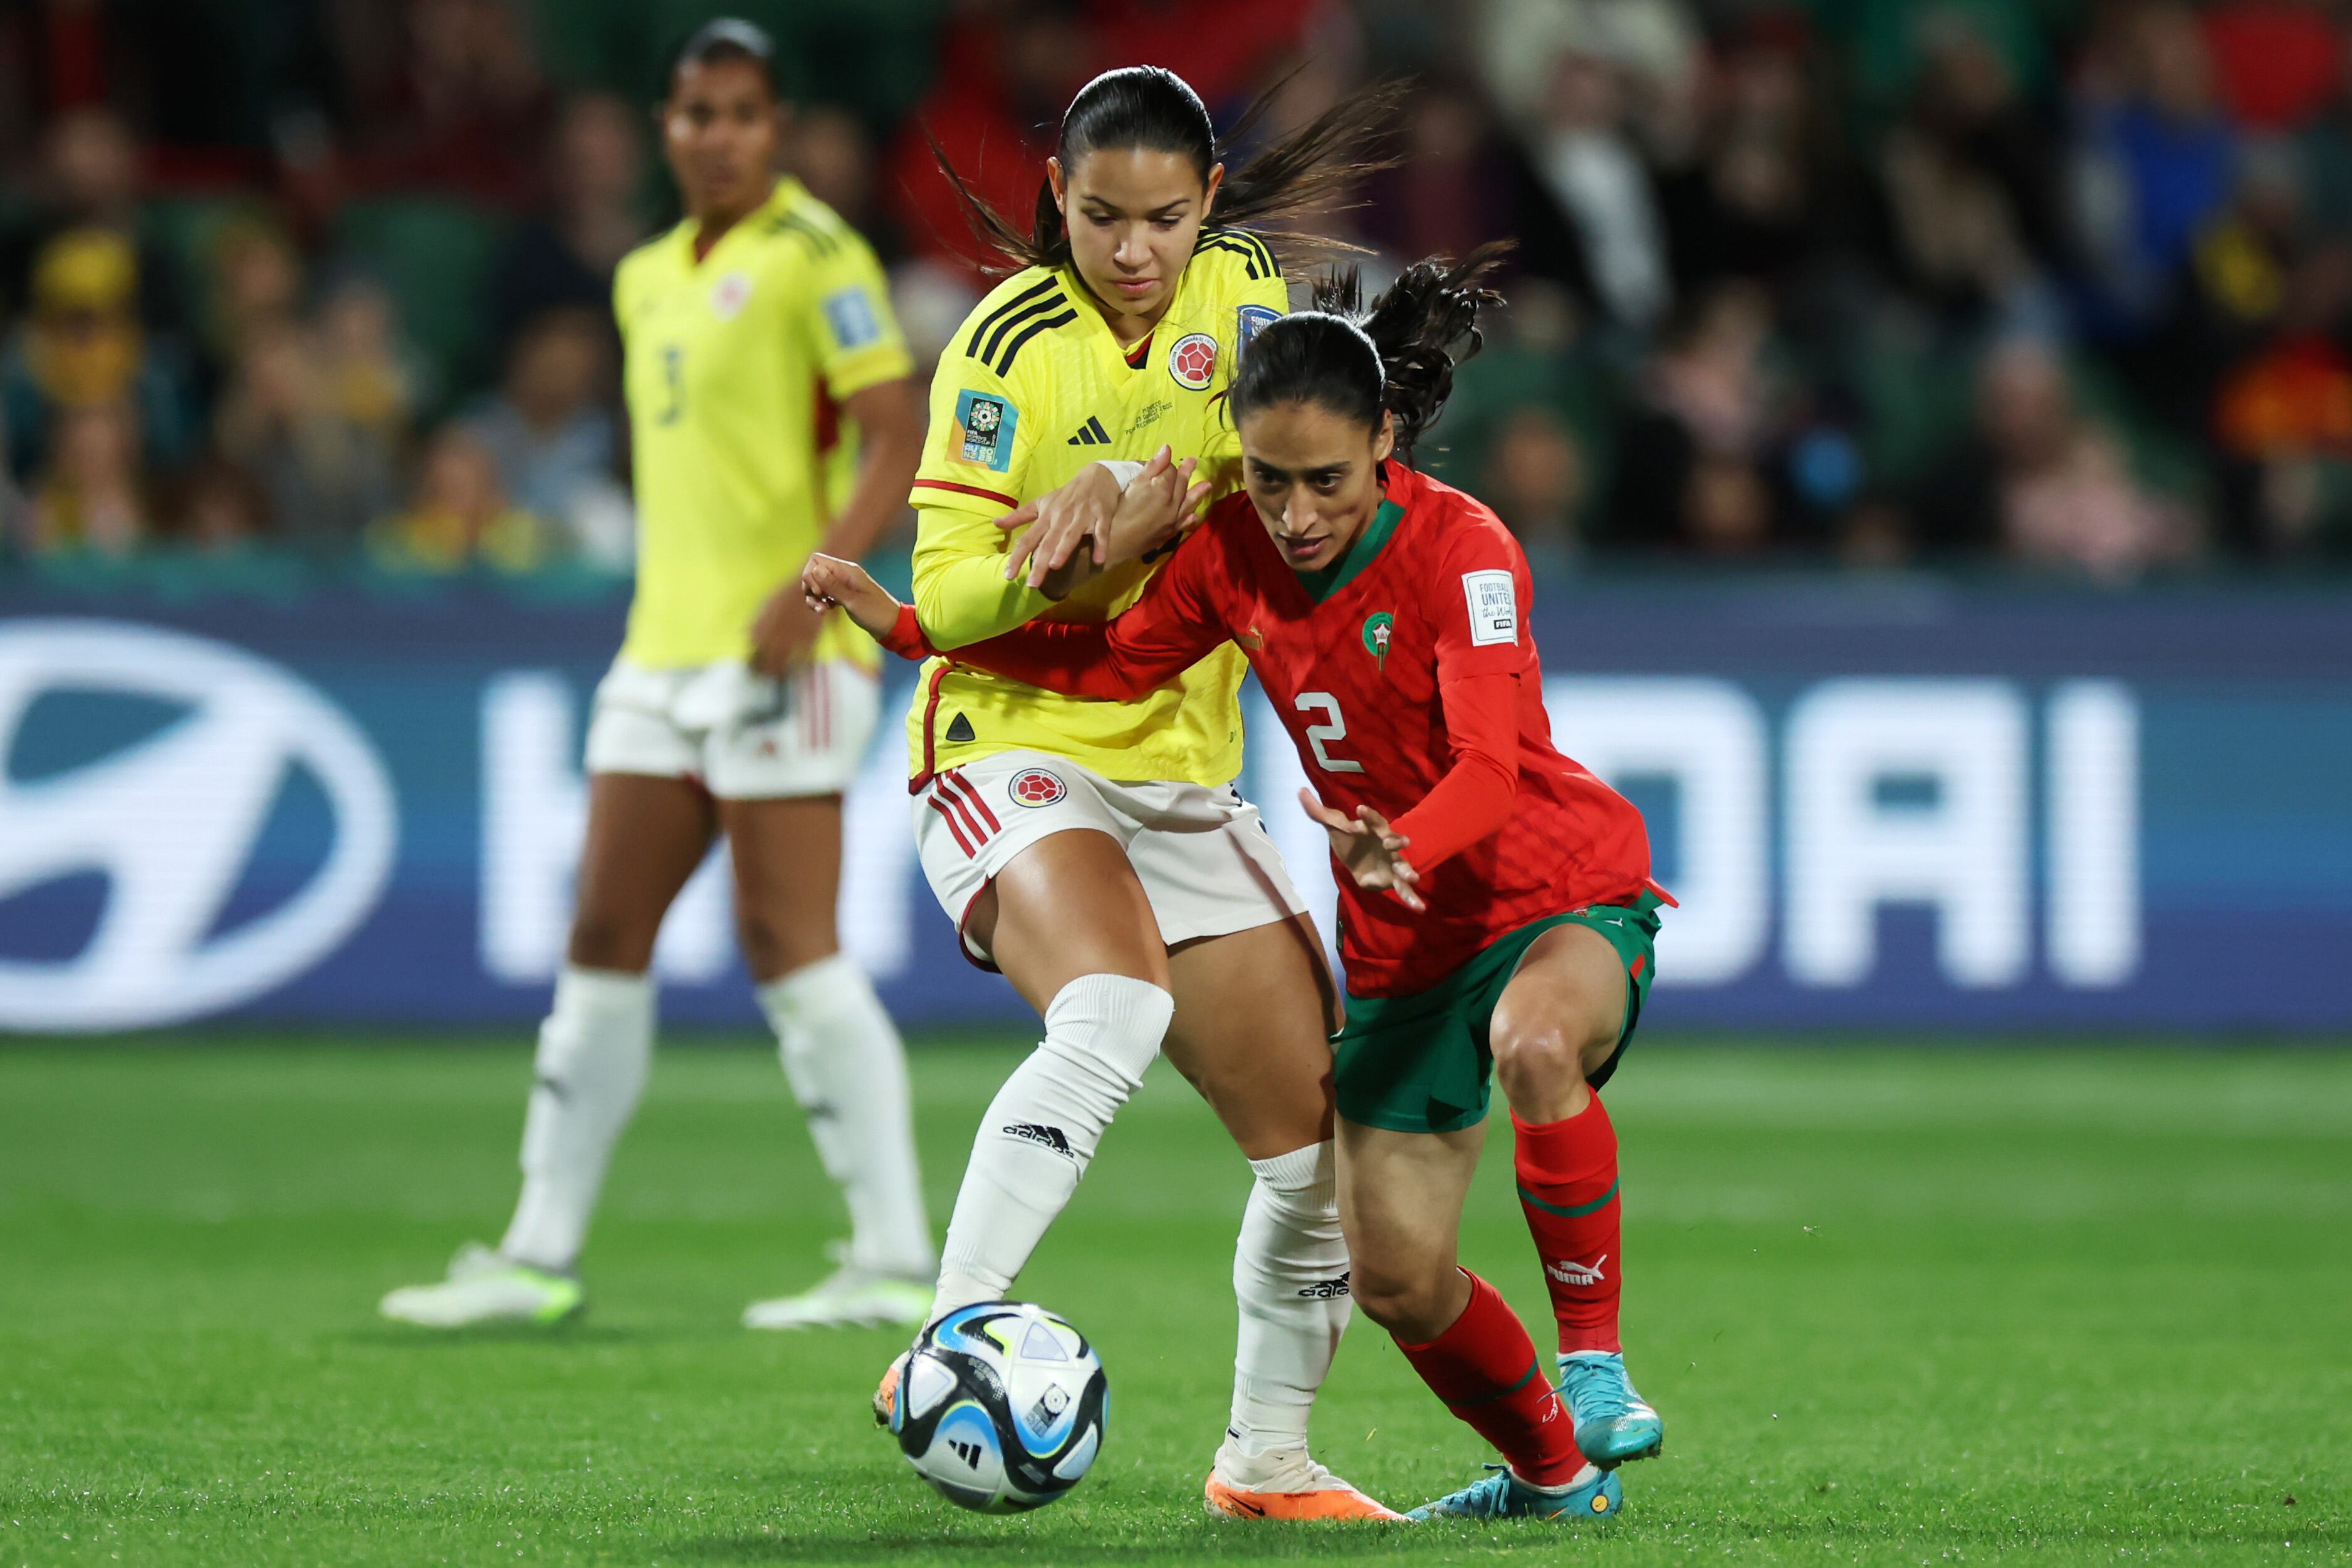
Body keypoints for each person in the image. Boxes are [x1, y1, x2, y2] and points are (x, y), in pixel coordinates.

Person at [807, 248, 1673, 1525]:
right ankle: (1551, 1474)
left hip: (1542, 885)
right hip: (1399, 943)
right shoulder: (1229, 551)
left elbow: (1489, 771)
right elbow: (1104, 668)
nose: (1298, 513)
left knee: (1535, 1042)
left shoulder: (1463, 547)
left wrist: (1404, 849)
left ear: (1385, 439)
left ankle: (1595, 1371)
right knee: (1392, 1274)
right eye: (1267, 480)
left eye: (1326, 480)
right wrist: (905, 628)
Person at [872, 65, 1405, 1520]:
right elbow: (941, 591)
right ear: (1058, 200)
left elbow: (1310, 482)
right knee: (1114, 1007)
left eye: (1161, 220)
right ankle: (941, 1340)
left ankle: (1266, 1463)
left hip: (1178, 772)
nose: (1129, 253)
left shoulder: (1248, 305)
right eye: (1099, 218)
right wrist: (1059, 554)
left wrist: (1208, 480)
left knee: (1320, 1154)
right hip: (1012, 740)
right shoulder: (1003, 343)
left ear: (1208, 205)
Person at [379, 18, 933, 1333]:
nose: (720, 134)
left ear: (776, 126)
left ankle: (896, 1255)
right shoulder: (640, 278)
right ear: (665, 127)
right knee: (600, 937)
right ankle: (536, 1253)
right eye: (698, 113)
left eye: (744, 112)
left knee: (786, 946)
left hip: (782, 649)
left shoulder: (818, 256)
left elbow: (895, 431)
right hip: (657, 652)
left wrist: (819, 585)